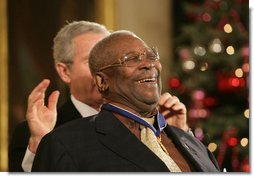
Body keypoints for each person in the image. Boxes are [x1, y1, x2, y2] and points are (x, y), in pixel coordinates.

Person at [8, 21, 190, 172]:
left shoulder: (160, 124)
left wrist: (177, 138)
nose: (106, 68)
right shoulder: (45, 134)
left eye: (111, 58)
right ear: (64, 72)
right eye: (92, 61)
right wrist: (42, 147)